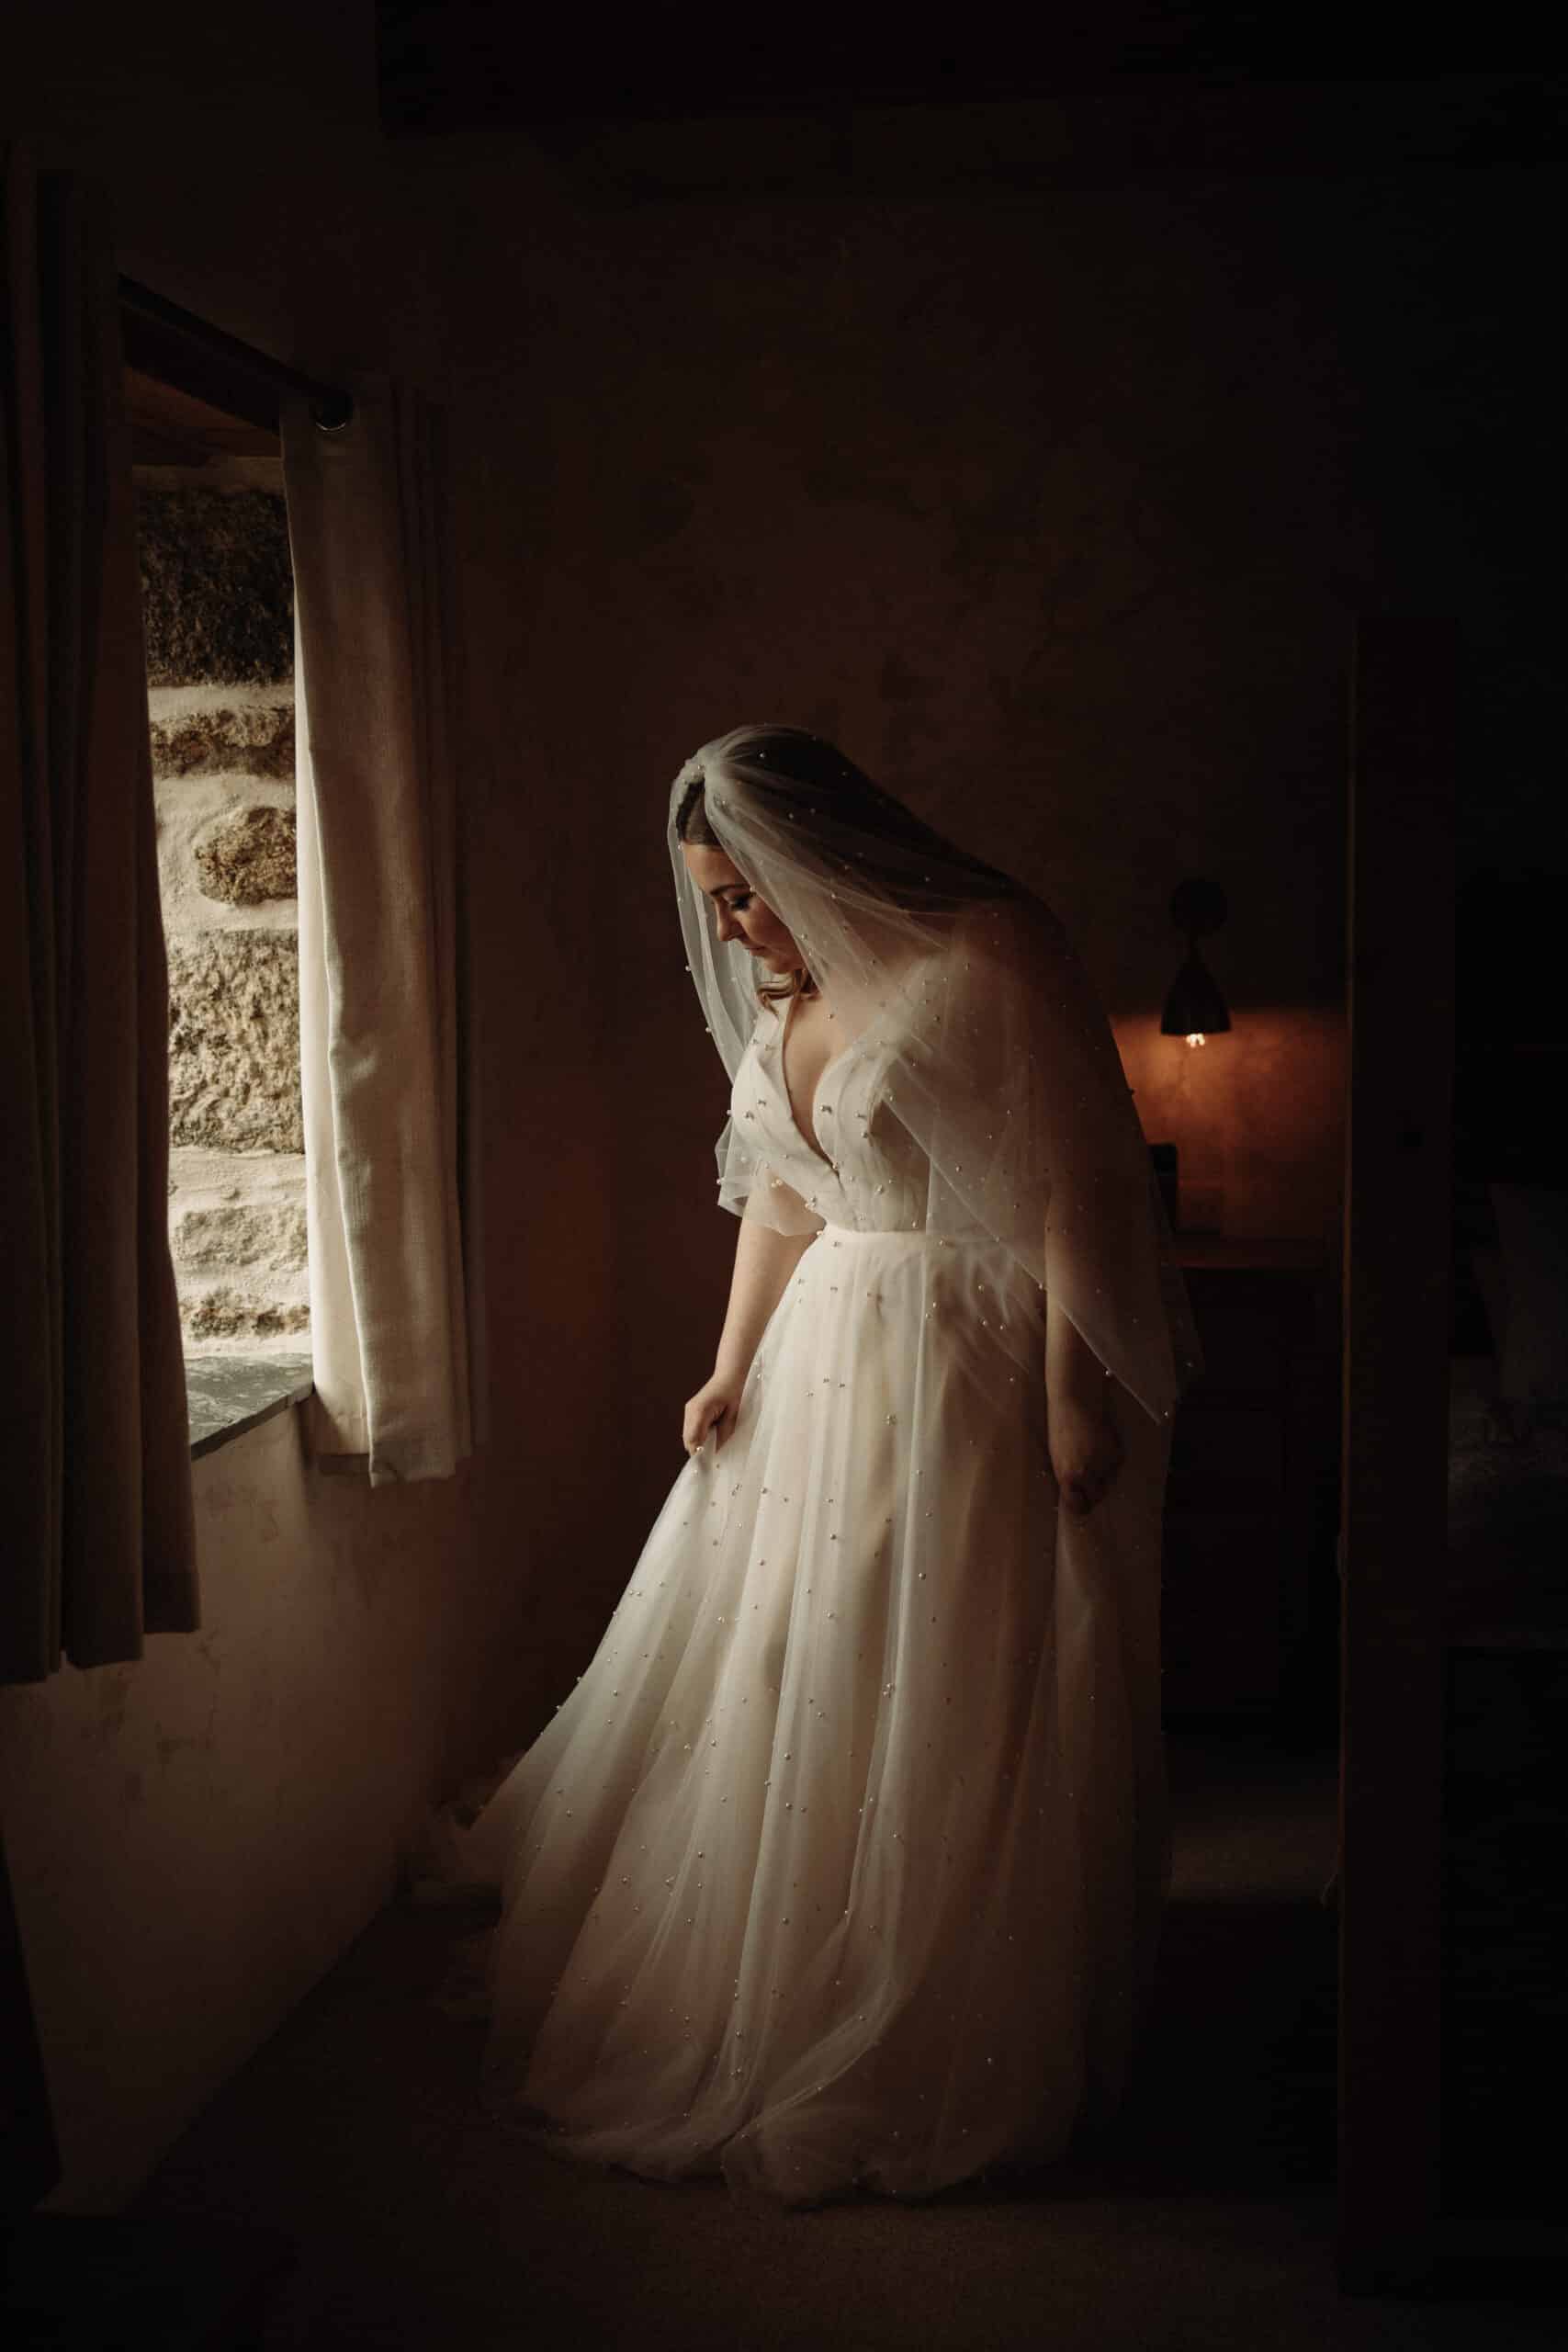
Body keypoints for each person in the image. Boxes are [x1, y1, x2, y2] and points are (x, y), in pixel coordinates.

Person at [423, 724, 1204, 2208]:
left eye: (742, 891)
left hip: (961, 1344)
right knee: (787, 1658)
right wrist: (728, 1366)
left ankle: (926, 1996)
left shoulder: (986, 952)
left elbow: (1068, 1189)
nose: (729, 924)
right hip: (824, 1352)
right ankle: (775, 1966)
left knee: (942, 1657)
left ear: (819, 851)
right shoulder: (789, 989)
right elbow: (779, 1186)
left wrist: (1067, 1399)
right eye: (713, 898)